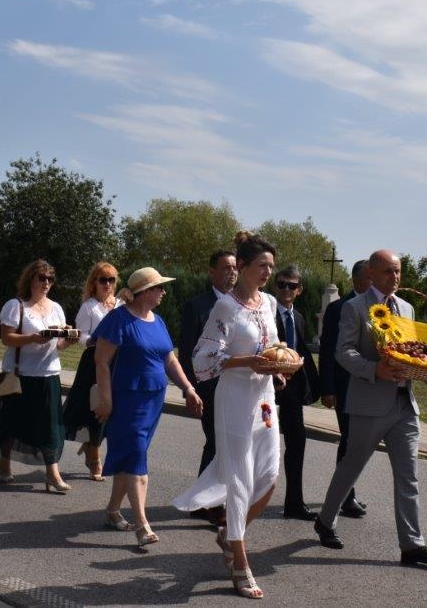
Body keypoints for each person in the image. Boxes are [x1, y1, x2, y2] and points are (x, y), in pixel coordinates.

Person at [314, 249, 427, 567]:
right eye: (389, 271)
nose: (395, 277)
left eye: (398, 271)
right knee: (351, 466)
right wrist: (373, 369)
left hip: (404, 404)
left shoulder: (407, 308)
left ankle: (412, 545)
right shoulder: (354, 307)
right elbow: (343, 352)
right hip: (368, 402)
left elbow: (410, 351)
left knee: (409, 475)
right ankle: (326, 519)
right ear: (371, 274)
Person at [173, 233, 288, 599]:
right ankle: (240, 563)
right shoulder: (225, 307)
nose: (268, 272)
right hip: (234, 398)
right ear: (243, 266)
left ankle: (228, 534)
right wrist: (246, 361)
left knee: (269, 479)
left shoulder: (269, 302)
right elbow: (202, 358)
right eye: (262, 265)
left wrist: (278, 365)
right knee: (240, 481)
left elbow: (271, 346)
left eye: (271, 266)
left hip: (264, 398)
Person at [94, 267, 203, 546]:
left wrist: (188, 388)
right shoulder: (118, 319)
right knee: (136, 456)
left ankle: (112, 511)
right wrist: (106, 399)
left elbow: (169, 360)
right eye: (159, 287)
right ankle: (143, 525)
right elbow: (101, 362)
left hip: (153, 399)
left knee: (130, 456)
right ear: (144, 292)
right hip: (126, 399)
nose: (164, 292)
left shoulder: (158, 320)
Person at [0, 260, 76, 489]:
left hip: (49, 373)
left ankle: (52, 473)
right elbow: (7, 338)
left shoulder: (56, 308)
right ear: (30, 279)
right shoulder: (16, 305)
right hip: (20, 374)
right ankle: (4, 462)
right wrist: (32, 338)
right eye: (42, 278)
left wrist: (69, 341)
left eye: (50, 279)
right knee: (12, 423)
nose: (46, 283)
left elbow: (58, 344)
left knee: (51, 426)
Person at [178, 249, 238, 525]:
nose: (232, 272)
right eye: (225, 267)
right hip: (209, 388)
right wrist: (190, 388)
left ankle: (204, 500)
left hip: (237, 386)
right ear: (212, 271)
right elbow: (187, 351)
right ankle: (212, 504)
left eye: (235, 267)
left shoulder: (241, 304)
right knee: (218, 441)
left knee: (222, 443)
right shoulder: (198, 306)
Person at [319, 259, 371, 518]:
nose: (374, 283)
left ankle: (345, 493)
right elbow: (328, 349)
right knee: (350, 441)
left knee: (360, 443)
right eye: (369, 277)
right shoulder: (338, 308)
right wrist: (327, 388)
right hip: (345, 387)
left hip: (372, 387)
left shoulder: (381, 310)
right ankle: (345, 498)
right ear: (356, 280)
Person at [62, 262, 122, 481]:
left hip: (118, 362)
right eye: (102, 280)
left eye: (111, 280)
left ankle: (90, 445)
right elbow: (80, 335)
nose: (107, 284)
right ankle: (95, 457)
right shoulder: (89, 307)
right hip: (95, 361)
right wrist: (93, 340)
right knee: (97, 408)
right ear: (94, 283)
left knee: (116, 410)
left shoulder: (121, 305)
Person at [272, 264, 321, 521]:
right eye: (281, 284)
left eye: (291, 285)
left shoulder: (299, 318)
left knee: (297, 442)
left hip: (291, 389)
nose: (286, 289)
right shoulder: (265, 312)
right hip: (265, 386)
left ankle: (294, 503)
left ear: (299, 290)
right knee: (256, 446)